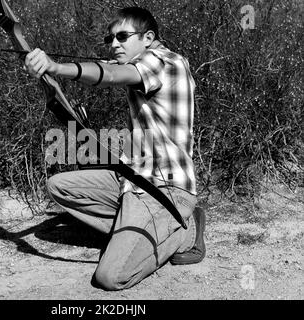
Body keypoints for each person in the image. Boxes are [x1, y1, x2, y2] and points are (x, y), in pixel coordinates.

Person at [24, 7, 206, 291]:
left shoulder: (165, 61)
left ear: (148, 37)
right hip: (131, 181)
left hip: (165, 189)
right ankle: (140, 231)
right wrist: (42, 64)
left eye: (122, 36)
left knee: (111, 276)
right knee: (59, 186)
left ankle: (185, 229)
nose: (114, 44)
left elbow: (108, 73)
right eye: (110, 38)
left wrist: (56, 68)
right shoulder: (139, 65)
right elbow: (104, 67)